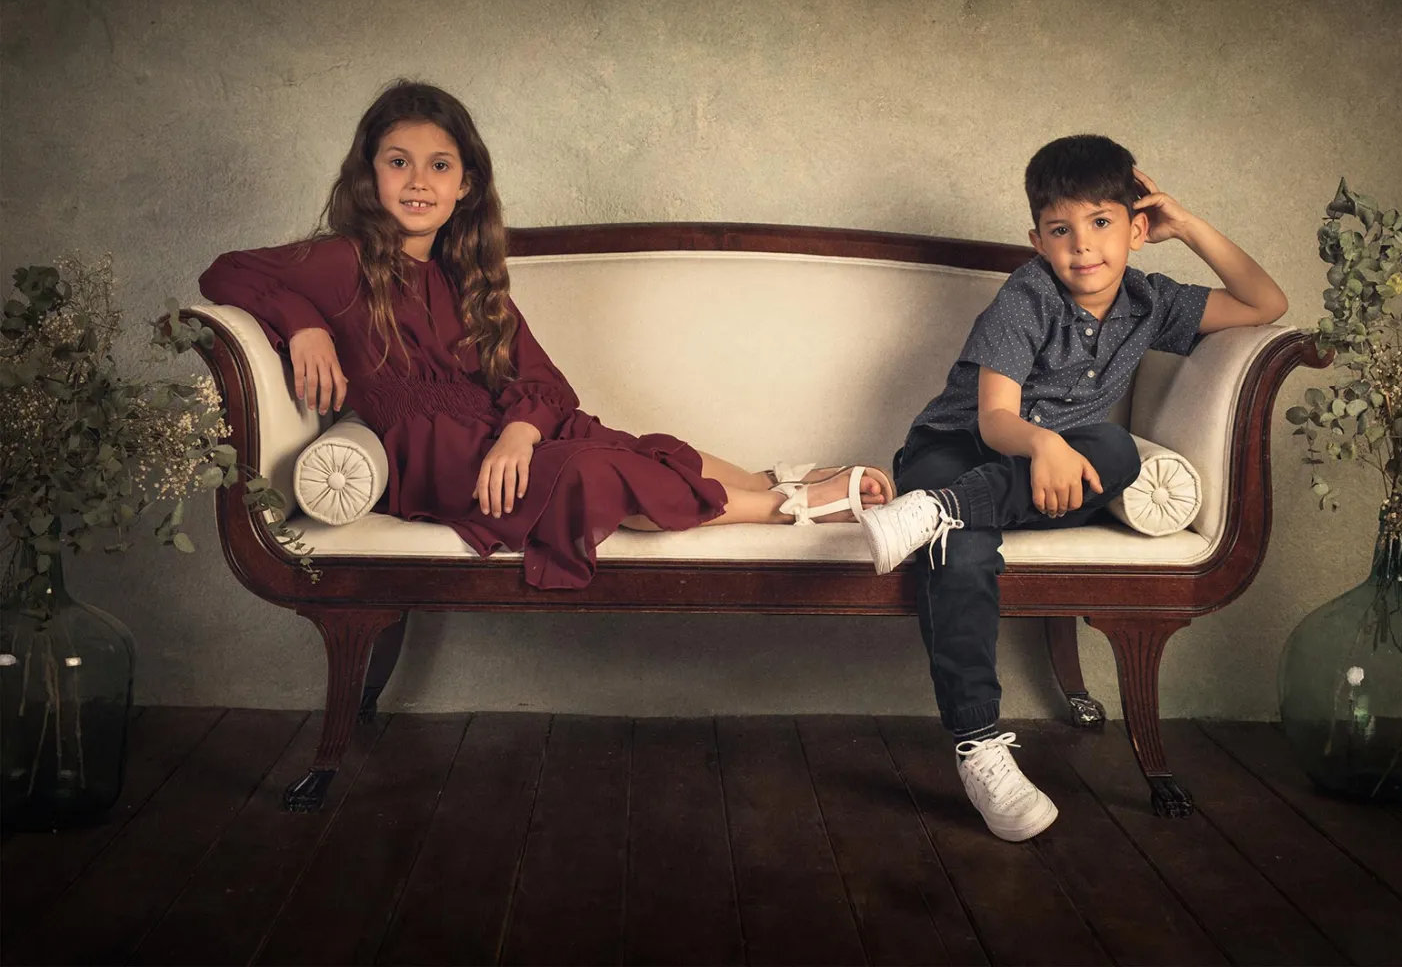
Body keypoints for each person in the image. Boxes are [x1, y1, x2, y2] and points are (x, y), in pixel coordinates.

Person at [199, 80, 894, 590]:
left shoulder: (466, 276)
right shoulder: (341, 260)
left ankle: (783, 478)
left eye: (439, 165)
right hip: (440, 468)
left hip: (501, 446)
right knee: (593, 474)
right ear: (368, 173)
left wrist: (520, 431)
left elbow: (545, 384)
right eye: (397, 161)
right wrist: (304, 323)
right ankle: (787, 508)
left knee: (627, 445)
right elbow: (223, 271)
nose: (418, 182)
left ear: (466, 185)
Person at [856, 134, 1288, 841]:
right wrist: (1045, 441)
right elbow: (994, 419)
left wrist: (1190, 225)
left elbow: (1266, 302)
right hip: (956, 451)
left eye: (1101, 223)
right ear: (1037, 240)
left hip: (1027, 477)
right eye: (1061, 230)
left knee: (1116, 449)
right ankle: (979, 749)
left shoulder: (1154, 303)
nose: (1082, 247)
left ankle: (934, 514)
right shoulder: (1026, 296)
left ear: (1137, 229)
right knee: (959, 553)